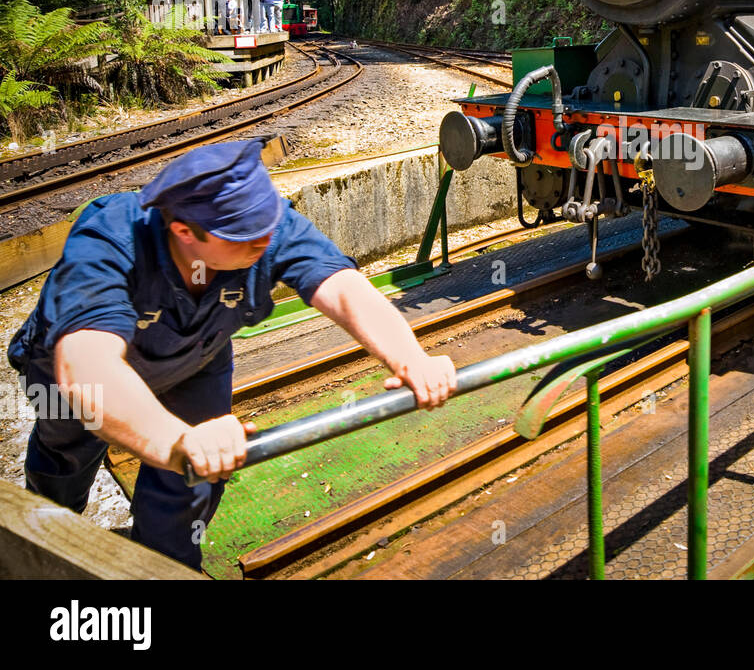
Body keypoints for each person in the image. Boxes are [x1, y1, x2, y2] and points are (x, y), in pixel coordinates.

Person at [6, 140, 456, 570]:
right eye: (248, 239)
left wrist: (408, 357)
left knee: (196, 475)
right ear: (183, 231)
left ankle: (166, 566)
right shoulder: (110, 239)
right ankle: (45, 544)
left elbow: (342, 289)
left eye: (269, 229)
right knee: (65, 460)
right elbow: (86, 366)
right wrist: (173, 440)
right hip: (74, 382)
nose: (266, 242)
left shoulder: (264, 226)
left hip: (196, 359)